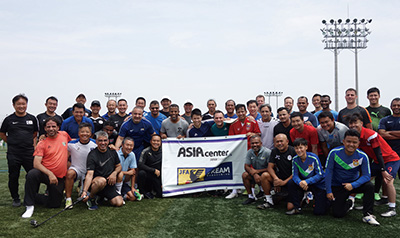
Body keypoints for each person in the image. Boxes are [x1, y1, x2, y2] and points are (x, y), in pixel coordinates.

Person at [348, 113, 400, 217]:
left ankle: (392, 208)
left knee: (388, 180)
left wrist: (383, 170)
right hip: (377, 161)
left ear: (361, 123)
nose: (353, 125)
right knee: (364, 179)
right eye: (351, 123)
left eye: (356, 123)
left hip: (390, 159)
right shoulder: (355, 137)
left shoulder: (371, 134)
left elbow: (378, 153)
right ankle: (363, 202)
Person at [325, 129, 380, 225]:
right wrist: (329, 191)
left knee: (369, 186)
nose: (351, 144)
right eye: (348, 141)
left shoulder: (362, 156)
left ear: (358, 143)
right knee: (337, 213)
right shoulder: (334, 153)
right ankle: (350, 202)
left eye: (354, 142)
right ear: (343, 142)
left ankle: (368, 215)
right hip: (338, 186)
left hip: (352, 185)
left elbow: (367, 176)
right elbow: (328, 172)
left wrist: (353, 185)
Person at [21, 117, 71, 218]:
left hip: (58, 177)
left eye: (53, 126)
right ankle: (29, 206)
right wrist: (50, 174)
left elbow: (72, 143)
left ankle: (34, 196)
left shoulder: (64, 135)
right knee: (32, 173)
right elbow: (36, 163)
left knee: (55, 204)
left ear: (58, 127)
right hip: (45, 174)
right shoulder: (42, 143)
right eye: (48, 127)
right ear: (45, 128)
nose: (51, 129)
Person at [0, 94, 39, 207]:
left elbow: (35, 133)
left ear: (26, 104)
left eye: (23, 104)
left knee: (33, 175)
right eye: (19, 104)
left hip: (28, 152)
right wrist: (11, 142)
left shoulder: (32, 118)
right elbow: (2, 134)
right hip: (14, 153)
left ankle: (33, 195)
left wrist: (31, 145)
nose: (21, 106)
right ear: (14, 105)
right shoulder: (8, 120)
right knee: (13, 176)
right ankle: (15, 198)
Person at [81, 131, 124, 210]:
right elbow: (90, 174)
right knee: (101, 181)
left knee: (119, 203)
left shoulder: (112, 151)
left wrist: (114, 173)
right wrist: (84, 191)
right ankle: (91, 197)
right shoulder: (92, 155)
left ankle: (102, 197)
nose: (103, 143)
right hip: (96, 183)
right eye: (100, 140)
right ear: (96, 142)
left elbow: (119, 166)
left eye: (105, 140)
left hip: (109, 183)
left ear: (108, 141)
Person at [226, 104, 261, 199]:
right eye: (238, 112)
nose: (241, 113)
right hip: (238, 152)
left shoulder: (252, 122)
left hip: (251, 150)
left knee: (250, 169)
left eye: (242, 111)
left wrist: (252, 134)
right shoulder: (233, 124)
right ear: (236, 113)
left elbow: (258, 134)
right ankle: (234, 190)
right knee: (236, 169)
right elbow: (230, 139)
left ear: (246, 112)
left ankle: (252, 190)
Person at [286, 138, 327, 215]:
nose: (299, 150)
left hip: (317, 184)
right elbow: (294, 175)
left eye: (301, 147)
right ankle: (297, 207)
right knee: (291, 182)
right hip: (304, 184)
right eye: (296, 148)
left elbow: (320, 174)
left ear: (306, 147)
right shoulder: (295, 159)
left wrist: (307, 181)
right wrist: (300, 182)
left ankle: (327, 201)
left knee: (319, 212)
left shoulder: (313, 157)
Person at [257, 134, 296, 210]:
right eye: (277, 142)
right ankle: (269, 201)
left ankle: (303, 197)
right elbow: (270, 167)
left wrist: (284, 182)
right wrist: (276, 179)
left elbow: (296, 172)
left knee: (290, 208)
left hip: (292, 180)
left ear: (287, 141)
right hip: (280, 177)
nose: (279, 143)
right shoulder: (274, 151)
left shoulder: (293, 151)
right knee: (265, 175)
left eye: (281, 141)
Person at [65, 123, 97, 208]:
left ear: (91, 133)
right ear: (78, 133)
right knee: (69, 173)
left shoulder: (95, 144)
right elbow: (65, 156)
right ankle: (68, 199)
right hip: (76, 169)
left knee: (84, 198)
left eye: (87, 132)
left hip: (89, 172)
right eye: (82, 132)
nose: (84, 134)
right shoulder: (71, 144)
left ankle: (90, 194)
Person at [241, 135, 271, 205]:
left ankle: (268, 197)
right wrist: (254, 174)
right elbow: (246, 166)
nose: (255, 145)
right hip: (255, 174)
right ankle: (251, 197)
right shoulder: (250, 152)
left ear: (261, 143)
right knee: (245, 175)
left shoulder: (267, 152)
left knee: (264, 176)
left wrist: (257, 172)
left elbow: (271, 168)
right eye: (252, 143)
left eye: (257, 143)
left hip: (266, 174)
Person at [116, 137, 142, 201]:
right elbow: (115, 171)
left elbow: (133, 171)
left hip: (124, 181)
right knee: (120, 174)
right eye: (127, 145)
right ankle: (118, 194)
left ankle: (123, 196)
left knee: (133, 197)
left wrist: (133, 187)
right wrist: (126, 173)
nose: (129, 147)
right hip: (115, 181)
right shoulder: (116, 154)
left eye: (131, 145)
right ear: (122, 145)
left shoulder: (132, 154)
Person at [138, 134, 163, 199]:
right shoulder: (146, 151)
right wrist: (153, 170)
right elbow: (140, 164)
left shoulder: (164, 151)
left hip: (159, 175)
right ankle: (143, 192)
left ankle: (154, 190)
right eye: (154, 141)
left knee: (160, 194)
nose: (156, 143)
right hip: (149, 174)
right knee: (141, 173)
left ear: (160, 142)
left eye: (158, 141)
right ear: (150, 141)